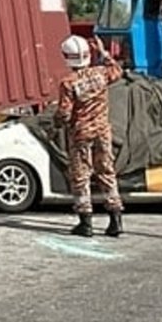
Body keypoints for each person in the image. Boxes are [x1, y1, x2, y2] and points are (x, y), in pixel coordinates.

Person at [55, 34, 123, 238]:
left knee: (81, 177)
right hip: (103, 133)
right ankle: (116, 220)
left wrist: (56, 123)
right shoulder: (101, 73)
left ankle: (86, 223)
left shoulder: (68, 83)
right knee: (106, 172)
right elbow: (117, 71)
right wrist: (103, 53)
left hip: (81, 135)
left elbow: (64, 114)